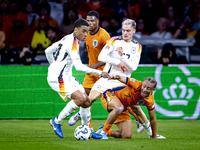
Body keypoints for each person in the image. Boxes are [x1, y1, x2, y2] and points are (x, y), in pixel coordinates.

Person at [45, 18, 110, 139]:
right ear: (76, 30)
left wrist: (53, 65)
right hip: (58, 78)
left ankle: (88, 131)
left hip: (66, 76)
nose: (86, 34)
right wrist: (100, 73)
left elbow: (48, 51)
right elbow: (79, 67)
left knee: (87, 101)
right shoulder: (72, 43)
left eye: (87, 31)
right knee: (80, 98)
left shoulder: (66, 38)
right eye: (84, 31)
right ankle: (56, 121)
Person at [68, 11, 110, 129]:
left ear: (98, 21)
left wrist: (96, 65)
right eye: (88, 20)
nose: (90, 23)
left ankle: (137, 118)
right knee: (84, 98)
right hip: (91, 71)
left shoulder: (104, 35)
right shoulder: (86, 34)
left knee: (106, 100)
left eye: (92, 20)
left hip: (104, 72)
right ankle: (88, 128)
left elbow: (111, 56)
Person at [98, 75, 166, 139]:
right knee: (120, 107)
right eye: (144, 86)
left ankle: (104, 131)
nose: (145, 89)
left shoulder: (150, 100)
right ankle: (103, 132)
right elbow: (122, 78)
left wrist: (154, 136)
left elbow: (152, 118)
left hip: (123, 106)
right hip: (110, 95)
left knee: (126, 135)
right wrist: (115, 76)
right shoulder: (136, 84)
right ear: (142, 84)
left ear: (153, 90)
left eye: (148, 88)